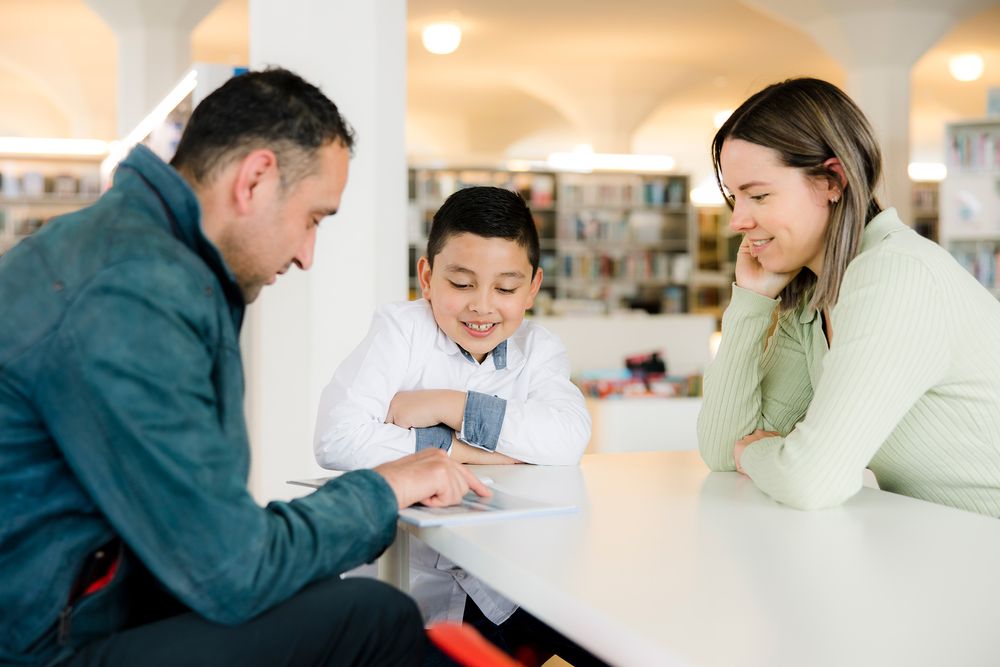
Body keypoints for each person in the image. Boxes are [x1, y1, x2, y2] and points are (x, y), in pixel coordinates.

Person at [0, 67, 489, 667]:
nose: (308, 256)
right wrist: (383, 488)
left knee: (318, 590)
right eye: (313, 219)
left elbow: (203, 526)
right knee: (374, 617)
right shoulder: (130, 293)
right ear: (255, 179)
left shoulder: (134, 255)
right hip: (43, 647)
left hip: (73, 604)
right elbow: (232, 569)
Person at [314, 185, 598, 665]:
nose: (482, 306)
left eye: (506, 288)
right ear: (426, 277)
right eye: (461, 284)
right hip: (408, 584)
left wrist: (450, 404)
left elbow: (568, 438)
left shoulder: (539, 349)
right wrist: (465, 451)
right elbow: (337, 438)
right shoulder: (400, 331)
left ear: (533, 287)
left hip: (504, 584)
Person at [697, 77, 1000, 516]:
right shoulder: (812, 300)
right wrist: (749, 302)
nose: (737, 221)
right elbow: (726, 450)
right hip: (944, 547)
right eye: (733, 197)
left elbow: (810, 480)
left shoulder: (896, 273)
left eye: (758, 195)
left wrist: (756, 455)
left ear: (831, 180)